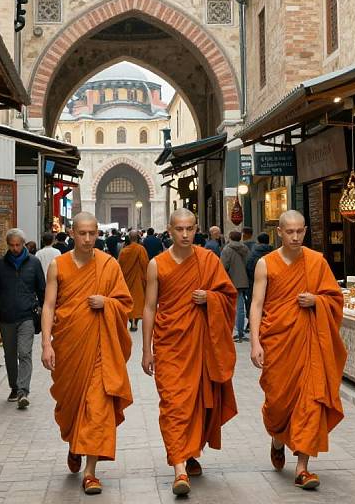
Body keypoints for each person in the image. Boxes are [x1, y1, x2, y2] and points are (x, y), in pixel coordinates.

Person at [142, 208, 238, 496]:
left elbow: (228, 295)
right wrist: (146, 350)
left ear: (197, 229)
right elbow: (149, 307)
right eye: (179, 229)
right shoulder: (157, 264)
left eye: (190, 229)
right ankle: (179, 468)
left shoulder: (209, 259)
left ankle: (189, 451)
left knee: (197, 401)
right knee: (173, 404)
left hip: (201, 344)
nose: (185, 234)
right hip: (170, 344)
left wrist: (210, 298)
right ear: (169, 230)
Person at [249, 210, 346, 490]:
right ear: (279, 232)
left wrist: (316, 300)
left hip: (309, 342)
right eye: (289, 232)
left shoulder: (317, 262)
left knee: (311, 401)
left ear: (305, 231)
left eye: (299, 232)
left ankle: (302, 468)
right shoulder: (265, 264)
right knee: (278, 404)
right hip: (277, 342)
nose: (295, 237)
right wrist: (255, 342)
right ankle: (278, 437)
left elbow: (334, 298)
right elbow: (256, 304)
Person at [41, 212, 134, 496]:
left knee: (98, 405)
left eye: (92, 233)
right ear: (72, 232)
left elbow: (125, 303)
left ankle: (91, 472)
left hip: (99, 349)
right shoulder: (58, 265)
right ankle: (73, 442)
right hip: (69, 346)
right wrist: (46, 343)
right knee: (71, 406)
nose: (88, 239)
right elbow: (48, 306)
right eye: (82, 233)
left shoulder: (109, 265)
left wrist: (106, 302)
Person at [0, 228, 46, 409]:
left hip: (27, 316)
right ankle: (14, 386)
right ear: (8, 245)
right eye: (11, 245)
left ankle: (23, 391)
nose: (15, 248)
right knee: (10, 355)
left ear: (23, 244)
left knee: (25, 353)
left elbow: (42, 290)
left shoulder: (34, 263)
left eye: (18, 245)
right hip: (6, 317)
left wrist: (45, 311)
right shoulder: (0, 265)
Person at [220, 231, 250, 343]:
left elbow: (223, 265)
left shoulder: (227, 249)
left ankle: (237, 332)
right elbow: (249, 263)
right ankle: (240, 330)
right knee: (240, 306)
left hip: (231, 280)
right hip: (243, 280)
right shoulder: (245, 248)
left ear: (230, 237)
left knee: (234, 307)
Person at [118, 230, 148, 331]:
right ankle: (135, 322)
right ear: (138, 238)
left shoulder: (124, 251)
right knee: (138, 300)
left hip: (127, 280)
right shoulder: (141, 249)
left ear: (129, 238)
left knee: (129, 300)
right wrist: (146, 279)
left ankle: (131, 320)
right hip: (139, 279)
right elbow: (145, 265)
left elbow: (119, 266)